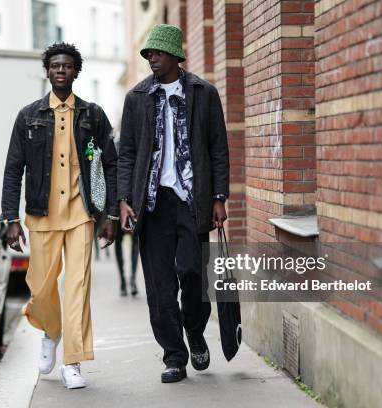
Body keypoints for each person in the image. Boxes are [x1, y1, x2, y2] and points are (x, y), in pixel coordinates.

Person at [0, 42, 118, 389]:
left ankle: (74, 362)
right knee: (40, 287)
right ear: (48, 71)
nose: (61, 71)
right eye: (55, 66)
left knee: (78, 289)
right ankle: (51, 332)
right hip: (41, 215)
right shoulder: (28, 116)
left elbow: (110, 164)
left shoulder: (93, 115)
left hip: (81, 215)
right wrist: (10, 218)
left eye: (67, 66)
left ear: (76, 71)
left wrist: (110, 214)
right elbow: (12, 169)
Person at [117, 24, 230, 383]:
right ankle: (174, 356)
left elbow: (218, 150)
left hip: (192, 201)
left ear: (174, 56)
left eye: (158, 53)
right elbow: (127, 154)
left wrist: (219, 197)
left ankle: (195, 332)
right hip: (152, 204)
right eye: (148, 53)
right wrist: (123, 200)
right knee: (160, 286)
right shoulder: (137, 97)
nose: (151, 58)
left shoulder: (204, 93)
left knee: (194, 275)